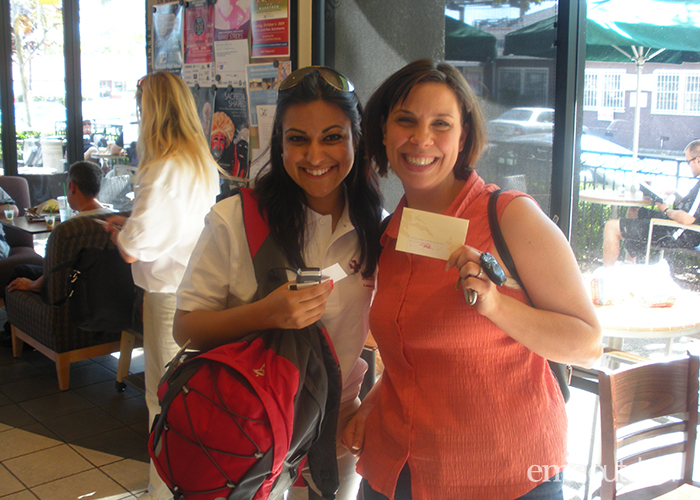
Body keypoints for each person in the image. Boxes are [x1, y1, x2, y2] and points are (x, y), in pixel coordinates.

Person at [341, 59, 602, 500]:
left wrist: (497, 306)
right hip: (396, 473)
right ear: (382, 133)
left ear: (463, 138)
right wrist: (373, 403)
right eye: (405, 121)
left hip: (505, 476)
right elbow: (419, 350)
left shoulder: (510, 217)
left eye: (440, 124)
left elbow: (588, 344)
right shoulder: (393, 232)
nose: (421, 139)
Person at [173, 66, 383, 500]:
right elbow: (186, 328)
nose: (315, 155)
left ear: (356, 141)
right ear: (279, 144)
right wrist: (265, 313)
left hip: (337, 425)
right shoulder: (234, 221)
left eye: (332, 137)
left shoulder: (375, 230)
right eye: (297, 139)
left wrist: (378, 397)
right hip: (248, 422)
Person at [101, 71, 221, 500]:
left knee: (163, 398)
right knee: (189, 395)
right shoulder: (200, 163)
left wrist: (120, 233)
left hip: (169, 294)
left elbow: (135, 249)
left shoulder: (161, 167)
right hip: (200, 290)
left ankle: (163, 488)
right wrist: (131, 226)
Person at [7, 160, 112, 294]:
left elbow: (55, 273)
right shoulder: (116, 219)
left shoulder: (69, 230)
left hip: (71, 291)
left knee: (21, 271)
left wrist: (31, 285)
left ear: (72, 186)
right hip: (105, 288)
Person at [603, 139, 700, 266]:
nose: (688, 166)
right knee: (634, 210)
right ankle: (630, 263)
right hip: (679, 228)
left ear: (698, 160)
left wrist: (665, 209)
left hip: (678, 234)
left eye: (688, 162)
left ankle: (606, 278)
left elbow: (688, 219)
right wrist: (675, 193)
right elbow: (691, 208)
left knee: (611, 226)